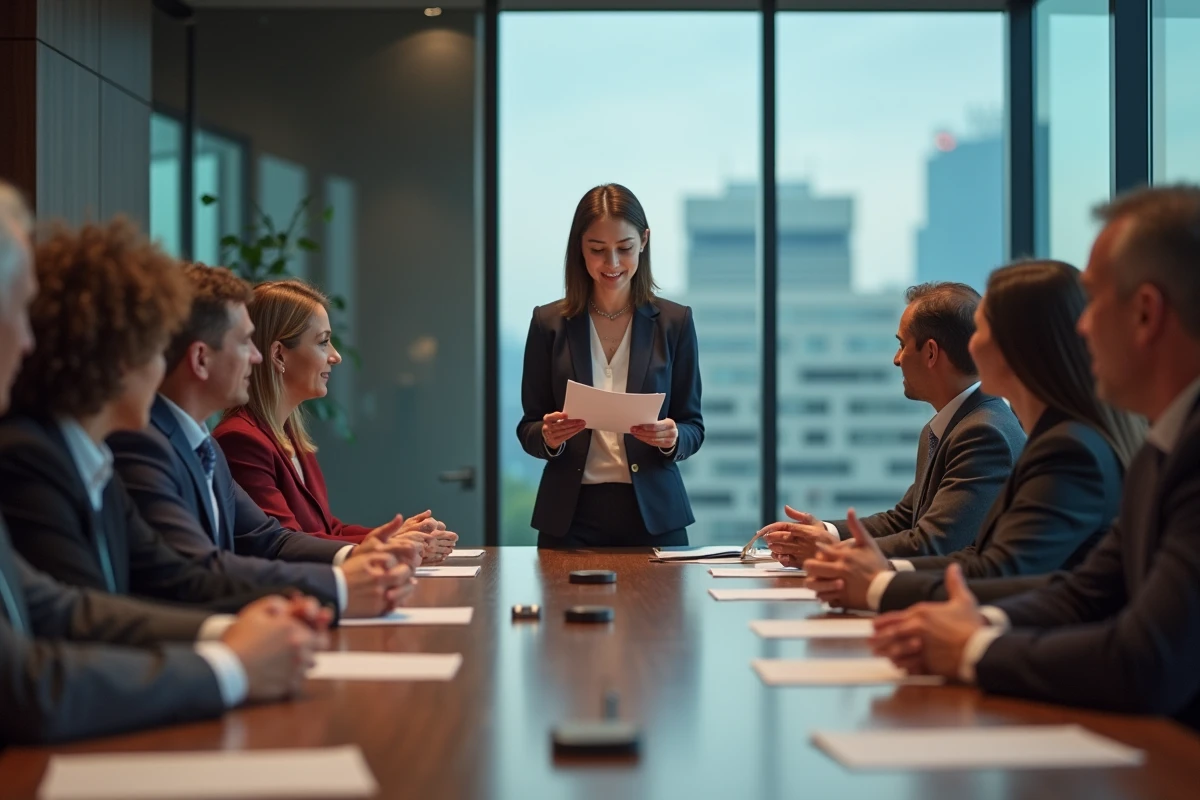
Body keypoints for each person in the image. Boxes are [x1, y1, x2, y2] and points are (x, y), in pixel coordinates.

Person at [0, 181, 323, 745]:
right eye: (157, 346)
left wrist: (235, 632)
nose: (27, 342)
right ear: (118, 356)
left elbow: (71, 608)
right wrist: (230, 663)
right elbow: (33, 681)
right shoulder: (30, 455)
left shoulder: (95, 460)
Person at [870, 185, 1200, 730]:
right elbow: (1083, 593)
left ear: (1145, 313)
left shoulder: (1097, 447)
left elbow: (1147, 659)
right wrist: (975, 625)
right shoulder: (1160, 448)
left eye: (1093, 300)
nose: (1081, 326)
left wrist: (973, 648)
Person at [0, 219, 412, 614]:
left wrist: (348, 568)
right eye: (155, 346)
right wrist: (331, 590)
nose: (256, 357)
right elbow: (166, 584)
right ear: (121, 355)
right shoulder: (114, 448)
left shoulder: (188, 446)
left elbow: (251, 545)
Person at [801, 260, 1143, 612]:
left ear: (1018, 348)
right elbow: (981, 555)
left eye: (981, 331)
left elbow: (1001, 571)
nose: (970, 346)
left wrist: (879, 583)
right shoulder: (1055, 437)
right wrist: (878, 571)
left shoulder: (1067, 449)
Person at [109, 263, 432, 619]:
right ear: (201, 358)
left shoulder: (205, 446)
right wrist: (342, 585)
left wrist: (361, 554)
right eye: (244, 342)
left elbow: (270, 539)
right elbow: (196, 570)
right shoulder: (149, 445)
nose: (256, 356)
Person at [761, 283, 1025, 560]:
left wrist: (830, 549)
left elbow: (935, 543)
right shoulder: (954, 425)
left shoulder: (983, 433)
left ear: (931, 353)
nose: (896, 359)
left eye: (902, 345)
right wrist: (827, 533)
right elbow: (904, 519)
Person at [516, 184, 704, 548]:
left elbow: (693, 425)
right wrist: (548, 437)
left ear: (644, 241)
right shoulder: (548, 323)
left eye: (624, 248)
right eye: (598, 250)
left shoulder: (675, 322)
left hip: (655, 515)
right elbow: (529, 426)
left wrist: (673, 438)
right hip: (569, 517)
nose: (613, 263)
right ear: (579, 247)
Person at [213, 279, 455, 551]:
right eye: (323, 342)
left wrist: (398, 535)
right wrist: (389, 544)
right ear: (279, 355)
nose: (336, 356)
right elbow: (285, 544)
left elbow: (327, 530)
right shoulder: (241, 440)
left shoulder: (289, 436)